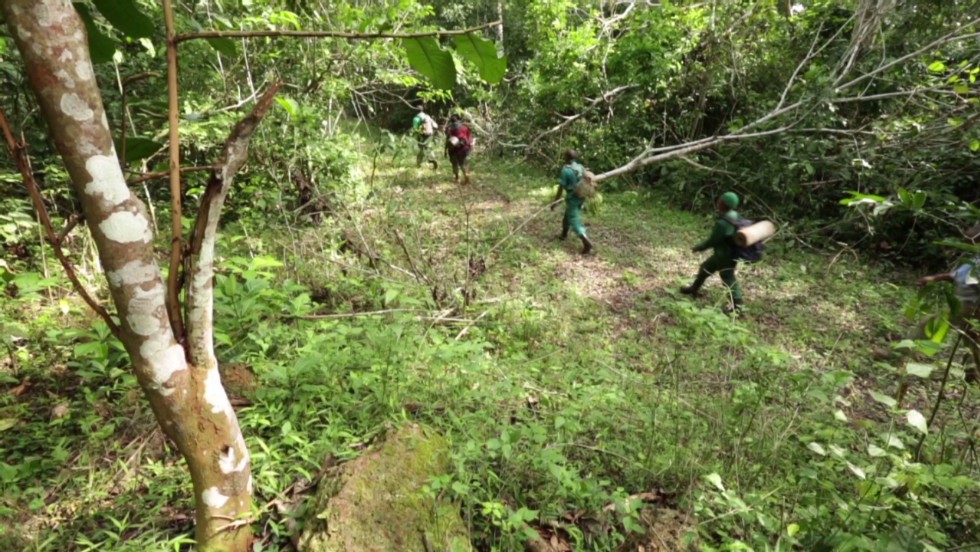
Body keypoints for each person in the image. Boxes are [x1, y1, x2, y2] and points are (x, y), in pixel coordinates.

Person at [916, 224, 980, 380]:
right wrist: (934, 278)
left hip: (970, 304)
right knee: (972, 340)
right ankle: (973, 375)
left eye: (973, 229)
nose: (968, 231)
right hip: (963, 301)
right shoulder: (973, 257)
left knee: (930, 324)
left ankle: (896, 355)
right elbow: (955, 276)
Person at [680, 192, 744, 314]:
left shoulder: (723, 223)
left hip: (723, 255)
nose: (718, 201)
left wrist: (699, 247)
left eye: (721, 200)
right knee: (705, 268)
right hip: (730, 253)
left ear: (724, 205)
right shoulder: (735, 215)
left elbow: (713, 240)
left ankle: (737, 305)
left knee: (728, 277)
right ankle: (693, 289)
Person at [551, 149, 594, 255]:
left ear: (566, 158)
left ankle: (586, 242)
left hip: (572, 198)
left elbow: (561, 187)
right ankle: (564, 235)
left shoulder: (565, 170)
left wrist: (555, 201)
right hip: (581, 197)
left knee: (574, 219)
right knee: (568, 215)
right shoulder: (581, 167)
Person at [444, 114, 472, 185]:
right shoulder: (465, 127)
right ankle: (466, 177)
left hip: (453, 148)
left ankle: (457, 178)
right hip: (464, 147)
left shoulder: (449, 128)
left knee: (454, 164)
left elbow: (448, 139)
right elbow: (469, 137)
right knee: (463, 163)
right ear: (459, 119)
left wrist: (445, 150)